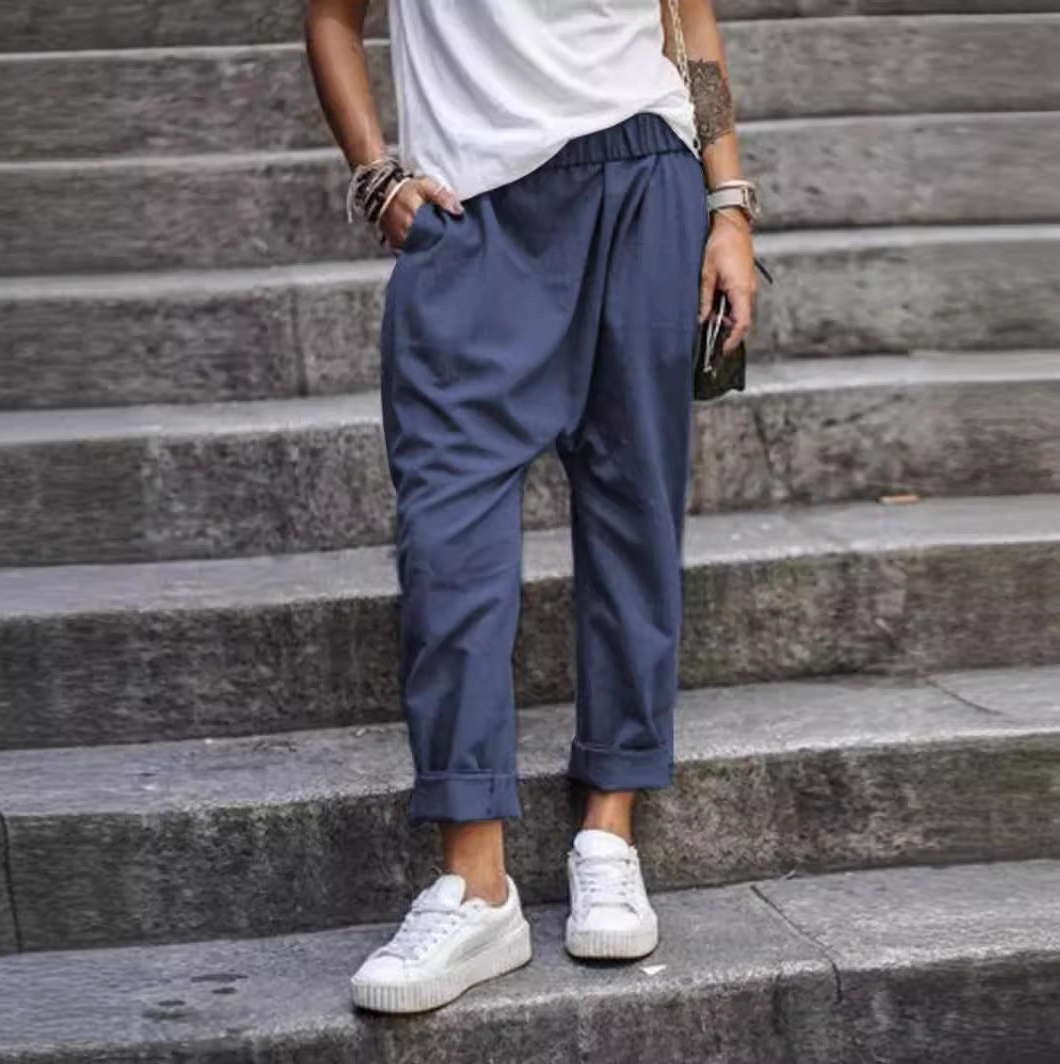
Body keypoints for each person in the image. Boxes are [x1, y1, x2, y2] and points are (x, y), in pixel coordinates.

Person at [305, 0, 759, 1014]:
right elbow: (331, 17)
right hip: (469, 211)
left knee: (635, 513)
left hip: (643, 180)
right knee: (445, 539)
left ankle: (609, 828)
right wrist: (375, 171)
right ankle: (475, 883)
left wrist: (727, 203)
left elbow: (689, 24)